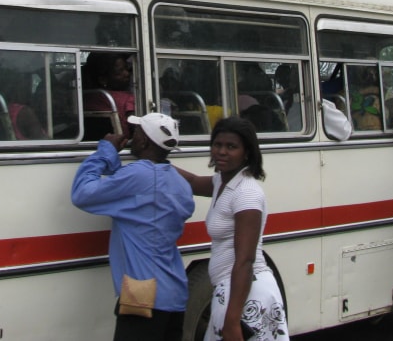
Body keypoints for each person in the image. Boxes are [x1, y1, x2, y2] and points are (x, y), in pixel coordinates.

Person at [71, 113, 194, 341]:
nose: (130, 138)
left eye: (136, 133)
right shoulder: (179, 183)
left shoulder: (139, 175)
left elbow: (82, 194)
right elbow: (130, 187)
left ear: (145, 142)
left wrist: (105, 151)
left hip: (144, 295)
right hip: (175, 293)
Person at [176, 117, 288, 341]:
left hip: (247, 295)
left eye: (231, 147)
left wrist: (232, 320)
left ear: (246, 153)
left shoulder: (246, 194)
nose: (222, 152)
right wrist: (155, 160)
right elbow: (194, 181)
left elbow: (244, 261)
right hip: (230, 291)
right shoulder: (223, 182)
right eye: (217, 145)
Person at [83, 52, 136, 138]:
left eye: (127, 69)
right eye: (120, 72)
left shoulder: (84, 97)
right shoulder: (128, 99)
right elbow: (135, 128)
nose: (127, 74)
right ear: (103, 79)